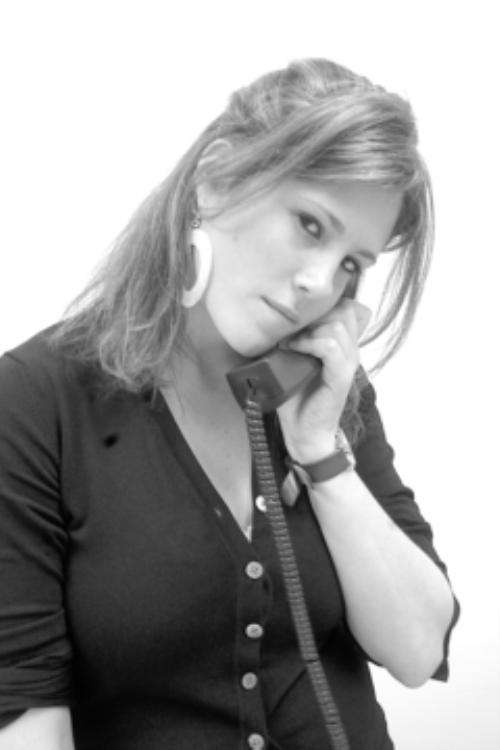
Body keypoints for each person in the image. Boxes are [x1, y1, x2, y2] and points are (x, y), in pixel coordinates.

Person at [0, 58, 459, 750]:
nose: (319, 284)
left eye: (352, 264)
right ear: (217, 177)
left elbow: (418, 651)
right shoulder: (36, 402)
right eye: (310, 225)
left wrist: (322, 457)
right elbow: (28, 719)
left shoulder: (329, 390)